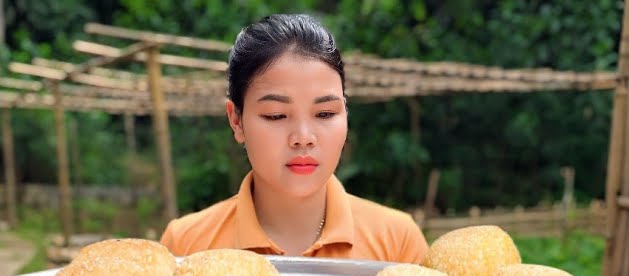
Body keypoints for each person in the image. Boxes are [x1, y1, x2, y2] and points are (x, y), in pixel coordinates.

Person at [160, 14, 428, 263]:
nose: (303, 138)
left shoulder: (397, 244)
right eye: (276, 115)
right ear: (236, 121)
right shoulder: (186, 245)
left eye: (324, 113)